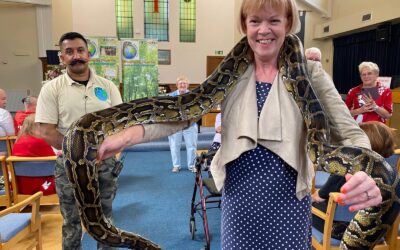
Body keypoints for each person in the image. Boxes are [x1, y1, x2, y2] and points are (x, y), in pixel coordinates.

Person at [96, 0, 382, 248]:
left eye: (274, 20)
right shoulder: (230, 73)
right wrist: (125, 137)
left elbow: (350, 132)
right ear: (244, 24)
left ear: (289, 23)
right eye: (255, 20)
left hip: (289, 204)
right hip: (238, 202)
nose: (264, 30)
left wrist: (365, 172)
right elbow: (180, 116)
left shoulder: (311, 73)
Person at [35, 32, 123, 250]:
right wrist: (80, 153)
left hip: (105, 163)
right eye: (69, 52)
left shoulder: (108, 87)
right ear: (62, 57)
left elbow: (121, 126)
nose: (76, 56)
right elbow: (45, 130)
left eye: (80, 50)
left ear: (88, 54)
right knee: (72, 222)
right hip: (68, 167)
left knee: (105, 219)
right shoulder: (51, 89)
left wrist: (104, 151)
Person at [312, 121, 396, 240]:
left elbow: (318, 196)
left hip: (340, 231)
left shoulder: (345, 172)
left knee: (306, 206)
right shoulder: (392, 174)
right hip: (375, 231)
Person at [12, 114, 57, 195]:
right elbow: (54, 162)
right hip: (41, 188)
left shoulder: (18, 142)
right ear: (37, 126)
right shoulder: (40, 142)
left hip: (21, 187)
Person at [167, 75, 198, 173]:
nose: (182, 85)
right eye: (180, 83)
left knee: (192, 146)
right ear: (177, 85)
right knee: (174, 146)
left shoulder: (193, 95)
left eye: (184, 83)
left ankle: (192, 165)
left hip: (190, 125)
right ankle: (176, 165)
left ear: (188, 85)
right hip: (175, 125)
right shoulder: (170, 96)